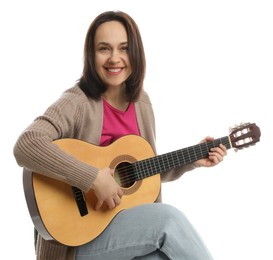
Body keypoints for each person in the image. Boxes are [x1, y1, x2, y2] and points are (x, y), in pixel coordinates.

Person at [13, 10, 227, 260]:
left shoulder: (141, 103)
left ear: (135, 53)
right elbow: (26, 144)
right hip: (75, 242)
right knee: (168, 220)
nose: (115, 58)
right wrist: (93, 178)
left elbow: (139, 173)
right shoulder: (77, 102)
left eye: (124, 48)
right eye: (104, 48)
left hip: (120, 233)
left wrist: (192, 160)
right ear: (91, 55)